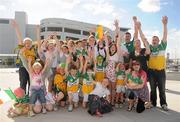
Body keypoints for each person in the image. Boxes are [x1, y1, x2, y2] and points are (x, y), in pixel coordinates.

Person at [148, 16, 168, 111]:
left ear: (158, 41)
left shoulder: (162, 46)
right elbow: (143, 39)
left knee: (162, 90)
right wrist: (139, 29)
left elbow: (165, 35)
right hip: (151, 72)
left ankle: (163, 104)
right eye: (153, 40)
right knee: (152, 89)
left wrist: (164, 24)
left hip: (161, 72)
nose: (154, 40)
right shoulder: (150, 48)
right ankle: (153, 103)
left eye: (156, 39)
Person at [105, 20, 122, 106]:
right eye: (112, 47)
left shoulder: (117, 54)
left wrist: (117, 27)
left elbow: (118, 39)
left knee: (113, 89)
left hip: (114, 73)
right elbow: (107, 43)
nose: (113, 48)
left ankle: (112, 102)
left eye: (114, 47)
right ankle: (108, 101)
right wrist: (105, 34)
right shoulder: (108, 54)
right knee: (109, 88)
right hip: (108, 72)